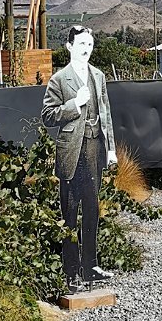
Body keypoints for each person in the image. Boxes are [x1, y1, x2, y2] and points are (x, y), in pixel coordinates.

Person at [42, 26, 118, 292]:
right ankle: (71, 272)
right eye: (81, 44)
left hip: (95, 148)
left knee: (92, 209)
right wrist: (75, 104)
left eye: (90, 44)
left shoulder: (98, 75)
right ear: (69, 46)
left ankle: (91, 266)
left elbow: (105, 114)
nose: (86, 49)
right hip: (72, 152)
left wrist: (111, 149)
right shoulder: (59, 80)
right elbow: (48, 116)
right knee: (70, 212)